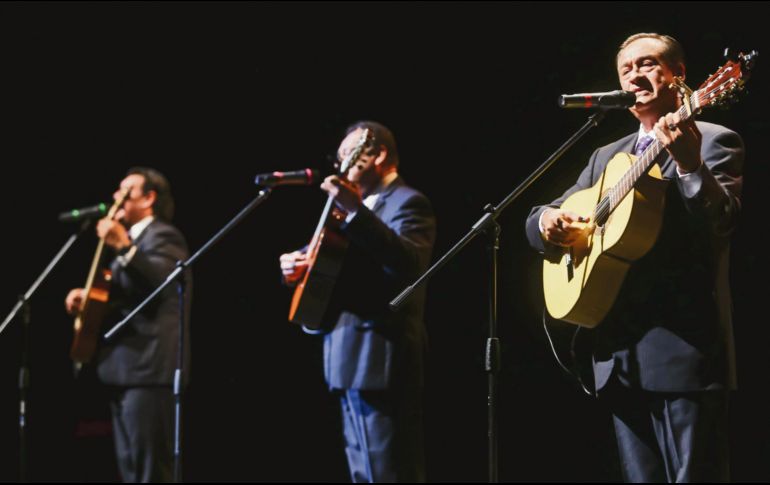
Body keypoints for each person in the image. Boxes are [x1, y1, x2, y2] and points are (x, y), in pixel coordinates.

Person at [525, 33, 743, 482]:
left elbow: (721, 223)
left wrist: (690, 166)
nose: (634, 75)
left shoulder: (714, 139)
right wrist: (547, 220)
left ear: (678, 75)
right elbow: (544, 216)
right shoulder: (607, 156)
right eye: (626, 69)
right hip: (618, 356)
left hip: (683, 351)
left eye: (647, 64)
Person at [280, 121, 436, 482]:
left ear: (377, 154)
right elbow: (328, 259)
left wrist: (355, 212)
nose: (342, 165)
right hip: (344, 354)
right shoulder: (350, 211)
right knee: (362, 472)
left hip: (382, 356)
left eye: (349, 156)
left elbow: (408, 265)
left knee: (390, 471)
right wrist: (293, 265)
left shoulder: (409, 203)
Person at [65, 167, 191, 483]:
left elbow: (161, 286)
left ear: (149, 198)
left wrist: (124, 247)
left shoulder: (163, 235)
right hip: (123, 368)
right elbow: (130, 297)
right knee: (130, 467)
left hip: (149, 368)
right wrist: (91, 300)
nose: (116, 197)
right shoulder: (133, 239)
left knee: (151, 469)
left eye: (126, 191)